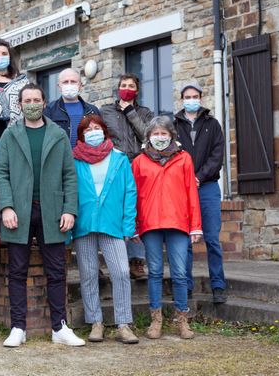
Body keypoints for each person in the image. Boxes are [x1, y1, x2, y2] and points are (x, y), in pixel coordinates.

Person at [0, 83, 85, 348]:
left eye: (36, 99)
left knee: (56, 271)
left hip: (52, 211)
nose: (32, 103)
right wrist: (6, 207)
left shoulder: (57, 134)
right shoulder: (10, 135)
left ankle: (59, 327)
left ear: (44, 103)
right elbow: (1, 173)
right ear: (20, 104)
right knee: (17, 271)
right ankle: (18, 327)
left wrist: (69, 209)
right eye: (27, 100)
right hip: (19, 211)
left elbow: (69, 174)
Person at [131, 116, 202, 340]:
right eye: (155, 134)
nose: (159, 137)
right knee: (154, 273)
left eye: (164, 134)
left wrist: (196, 226)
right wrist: (133, 225)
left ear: (171, 135)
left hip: (178, 222)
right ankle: (156, 320)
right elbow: (132, 196)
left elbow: (192, 192)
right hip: (150, 223)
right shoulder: (139, 162)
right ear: (148, 137)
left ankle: (182, 320)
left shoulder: (184, 159)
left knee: (180, 273)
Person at [71, 114, 138, 344]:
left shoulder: (119, 158)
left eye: (96, 128)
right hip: (84, 224)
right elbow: (69, 191)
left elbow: (130, 192)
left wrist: (128, 225)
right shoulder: (74, 160)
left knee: (121, 272)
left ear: (104, 131)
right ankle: (96, 322)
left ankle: (123, 323)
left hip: (112, 224)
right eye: (87, 129)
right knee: (88, 275)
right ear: (81, 135)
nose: (92, 132)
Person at [174, 83, 227, 304]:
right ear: (182, 100)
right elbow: (171, 153)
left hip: (207, 187)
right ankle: (186, 286)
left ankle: (218, 285)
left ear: (201, 99)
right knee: (184, 240)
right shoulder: (174, 125)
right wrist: (186, 178)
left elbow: (217, 156)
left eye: (195, 96)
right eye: (187, 97)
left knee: (212, 239)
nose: (191, 100)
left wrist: (199, 177)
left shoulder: (212, 124)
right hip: (181, 189)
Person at [101, 73, 154, 280]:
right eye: (123, 85)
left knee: (137, 212)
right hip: (115, 165)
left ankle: (137, 262)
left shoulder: (145, 112)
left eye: (131, 85)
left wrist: (131, 112)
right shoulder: (106, 111)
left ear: (137, 90)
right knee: (117, 209)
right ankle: (118, 258)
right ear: (118, 88)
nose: (127, 88)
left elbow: (147, 136)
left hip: (139, 164)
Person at [44, 68, 100, 147]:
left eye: (73, 82)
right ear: (59, 86)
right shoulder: (49, 110)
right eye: (65, 82)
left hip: (87, 158)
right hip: (61, 158)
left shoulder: (92, 110)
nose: (69, 85)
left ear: (80, 86)